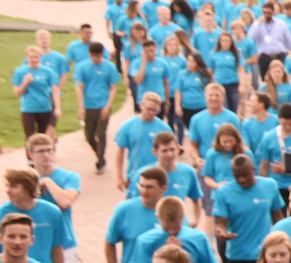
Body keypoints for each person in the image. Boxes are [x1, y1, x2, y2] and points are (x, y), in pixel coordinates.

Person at [215, 155, 287, 263]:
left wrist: (284, 239)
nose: (242, 180)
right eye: (237, 176)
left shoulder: (270, 185)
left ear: (253, 170)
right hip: (239, 255)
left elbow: (278, 216)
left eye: (245, 175)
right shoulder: (224, 192)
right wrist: (221, 233)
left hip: (265, 254)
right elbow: (221, 223)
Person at [0, 169, 65, 263]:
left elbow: (57, 250)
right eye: (7, 186)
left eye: (13, 186)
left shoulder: (52, 213)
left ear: (28, 187)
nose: (8, 190)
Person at [126, 132, 206, 232]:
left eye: (172, 149)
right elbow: (129, 201)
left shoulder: (188, 172)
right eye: (164, 151)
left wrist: (195, 220)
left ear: (178, 149)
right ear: (155, 152)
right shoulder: (143, 174)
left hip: (178, 228)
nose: (169, 154)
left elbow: (196, 198)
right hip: (150, 229)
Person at [105, 167, 165, 263]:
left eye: (149, 187)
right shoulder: (124, 210)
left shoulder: (171, 211)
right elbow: (109, 243)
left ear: (163, 189)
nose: (144, 191)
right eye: (141, 186)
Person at [24, 137, 81, 263]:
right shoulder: (25, 179)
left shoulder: (69, 177)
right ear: (30, 154)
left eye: (49, 150)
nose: (46, 155)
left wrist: (47, 182)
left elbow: (65, 201)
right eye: (41, 151)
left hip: (64, 244)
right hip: (35, 245)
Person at [136, 195, 219, 263]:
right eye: (166, 228)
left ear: (183, 217)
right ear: (157, 217)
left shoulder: (199, 238)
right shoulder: (145, 241)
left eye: (176, 227)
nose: (172, 232)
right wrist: (168, 254)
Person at [73, 43, 121, 174]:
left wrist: (108, 105)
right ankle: (100, 154)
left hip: (102, 105)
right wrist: (81, 107)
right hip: (89, 105)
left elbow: (113, 88)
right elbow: (80, 87)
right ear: (90, 54)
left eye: (98, 56)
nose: (96, 58)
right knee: (89, 135)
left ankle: (100, 161)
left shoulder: (109, 67)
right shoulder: (83, 67)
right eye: (93, 56)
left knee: (101, 133)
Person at [115, 93, 175, 194]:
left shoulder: (164, 128)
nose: (152, 113)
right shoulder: (127, 126)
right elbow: (120, 151)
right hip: (135, 176)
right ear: (141, 105)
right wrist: (119, 176)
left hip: (159, 177)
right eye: (149, 109)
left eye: (155, 110)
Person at [258, 103, 291, 205]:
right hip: (276, 185)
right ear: (279, 119)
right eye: (284, 124)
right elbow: (264, 165)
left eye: (290, 124)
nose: (287, 127)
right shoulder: (269, 138)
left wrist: (286, 168)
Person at [12, 46, 62, 141]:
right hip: (28, 108)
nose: (34, 60)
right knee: (30, 137)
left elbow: (55, 90)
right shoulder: (20, 72)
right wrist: (25, 82)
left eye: (37, 57)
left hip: (44, 107)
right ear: (27, 58)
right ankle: (30, 155)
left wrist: (58, 108)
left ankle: (40, 155)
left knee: (41, 136)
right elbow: (17, 93)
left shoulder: (48, 71)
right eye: (31, 57)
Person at [200, 125, 248, 223]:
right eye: (225, 142)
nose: (228, 145)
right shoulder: (212, 154)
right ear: (219, 140)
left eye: (231, 141)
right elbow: (207, 177)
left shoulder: (245, 153)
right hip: (221, 196)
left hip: (242, 194)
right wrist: (217, 186)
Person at [187, 84, 242, 167]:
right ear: (205, 96)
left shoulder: (232, 118)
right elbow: (193, 145)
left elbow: (240, 142)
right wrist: (196, 158)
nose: (213, 98)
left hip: (228, 164)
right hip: (205, 164)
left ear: (223, 98)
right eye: (210, 95)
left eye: (217, 95)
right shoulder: (196, 119)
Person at [248, 2, 291, 81]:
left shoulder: (281, 24)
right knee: (265, 80)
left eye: (268, 13)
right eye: (264, 12)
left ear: (273, 12)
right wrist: (257, 23)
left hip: (279, 56)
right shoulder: (258, 24)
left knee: (280, 79)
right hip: (264, 57)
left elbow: (289, 41)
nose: (266, 15)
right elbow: (250, 38)